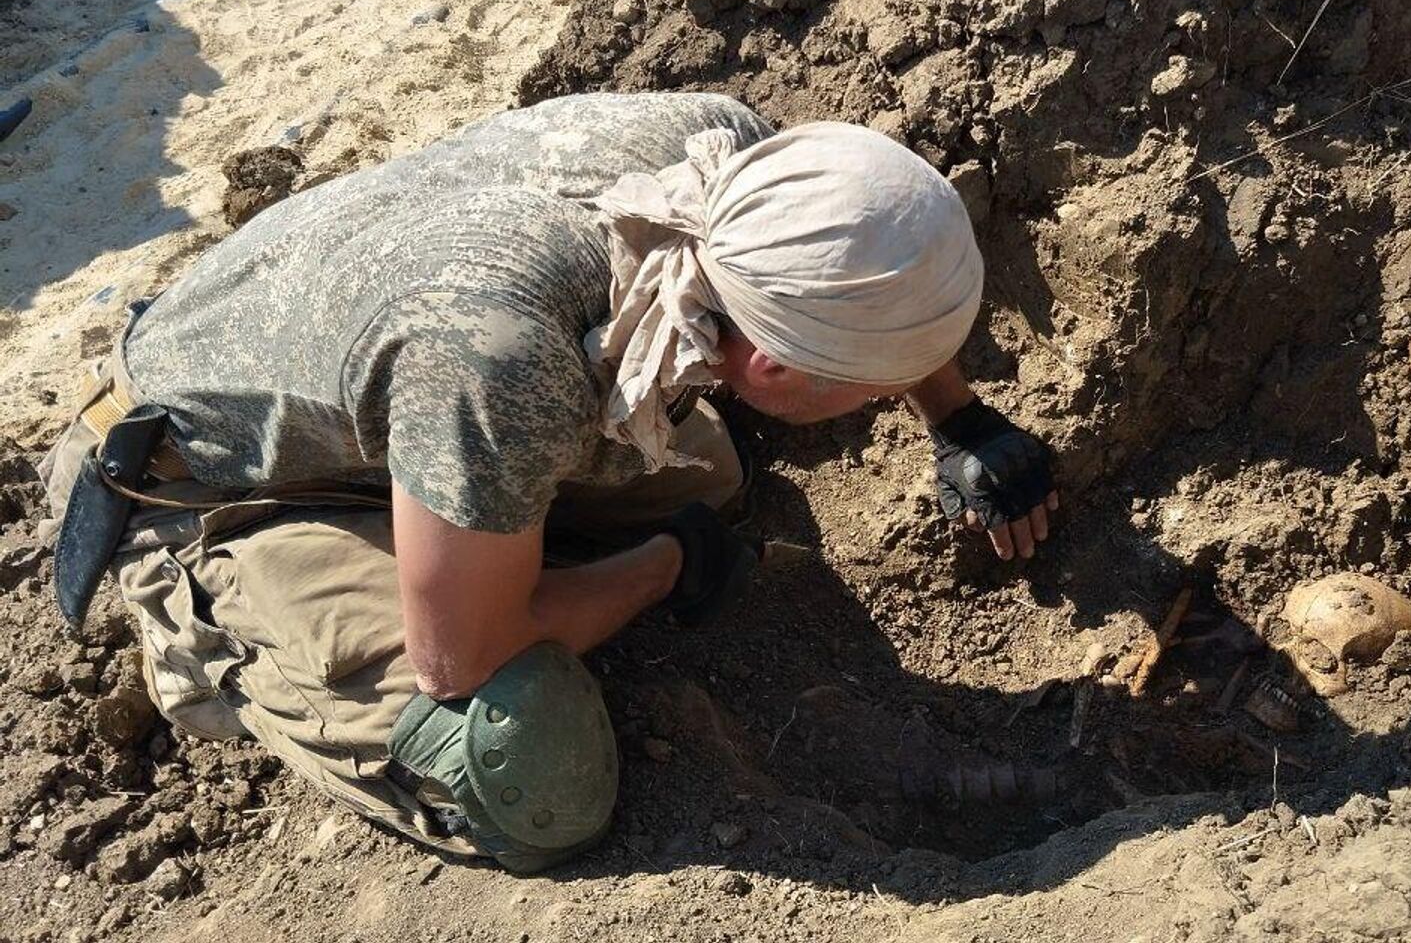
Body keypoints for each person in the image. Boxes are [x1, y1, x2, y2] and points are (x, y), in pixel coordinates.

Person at [36, 93, 1058, 871]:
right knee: (524, 761)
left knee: (706, 470)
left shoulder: (737, 162)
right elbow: (463, 660)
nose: (893, 398)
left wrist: (959, 417)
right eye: (876, 388)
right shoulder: (502, 362)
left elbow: (875, 260)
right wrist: (664, 570)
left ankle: (470, 525)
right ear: (773, 368)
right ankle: (210, 633)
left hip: (387, 361)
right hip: (196, 481)